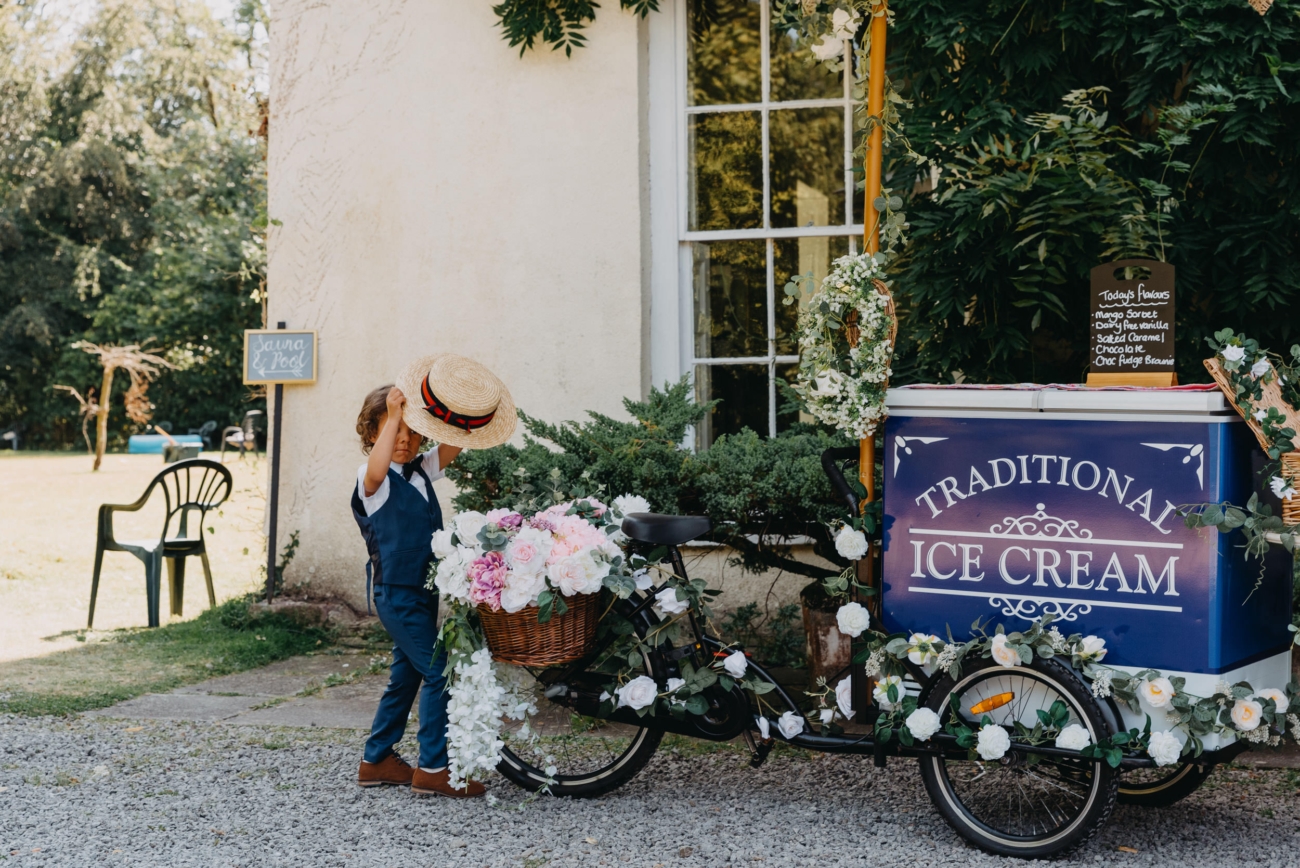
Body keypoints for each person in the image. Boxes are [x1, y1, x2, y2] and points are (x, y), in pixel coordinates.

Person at [351, 354, 517, 797]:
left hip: (423, 594)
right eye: (392, 431)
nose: (403, 440)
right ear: (373, 434)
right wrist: (391, 413)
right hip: (395, 595)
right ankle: (432, 768)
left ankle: (377, 759)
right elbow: (379, 467)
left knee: (406, 675)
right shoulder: (374, 481)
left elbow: (461, 438)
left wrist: (464, 401)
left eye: (410, 431)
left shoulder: (422, 473)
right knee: (439, 671)